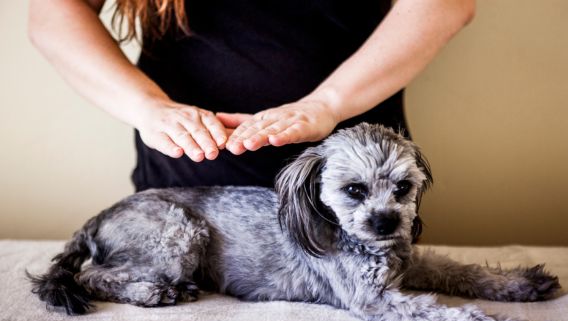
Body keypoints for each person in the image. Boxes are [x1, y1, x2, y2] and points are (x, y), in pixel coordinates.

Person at [29, 0, 475, 190]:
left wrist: (327, 104)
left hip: (353, 196)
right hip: (186, 195)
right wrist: (147, 107)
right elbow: (52, 11)